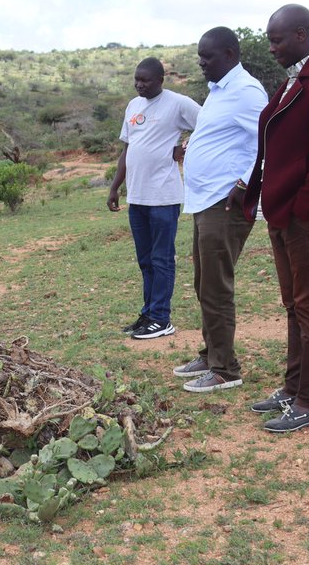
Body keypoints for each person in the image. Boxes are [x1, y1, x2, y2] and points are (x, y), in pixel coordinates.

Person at [241, 5, 309, 433]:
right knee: (293, 304)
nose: (270, 48)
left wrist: (307, 207)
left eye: (277, 40)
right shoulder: (294, 79)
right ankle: (292, 389)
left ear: (302, 35)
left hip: (303, 214)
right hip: (282, 210)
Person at [174, 27, 268, 393]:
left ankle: (225, 368)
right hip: (204, 200)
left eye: (207, 57)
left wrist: (246, 182)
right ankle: (211, 351)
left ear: (229, 54)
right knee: (204, 281)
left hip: (225, 202)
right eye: (199, 57)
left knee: (216, 284)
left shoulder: (245, 91)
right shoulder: (219, 91)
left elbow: (268, 140)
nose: (201, 63)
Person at [108, 57, 201, 339]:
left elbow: (209, 124)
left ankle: (162, 318)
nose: (139, 84)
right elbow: (127, 149)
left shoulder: (177, 103)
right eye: (136, 79)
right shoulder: (133, 106)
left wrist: (184, 147)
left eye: (145, 80)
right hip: (137, 197)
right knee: (145, 260)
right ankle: (148, 313)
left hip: (163, 196)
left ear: (161, 79)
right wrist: (115, 187)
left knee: (162, 259)